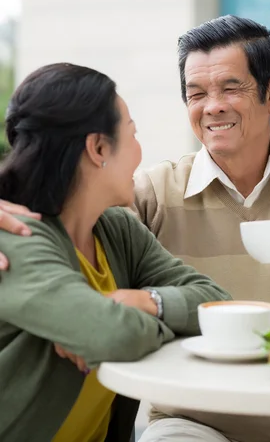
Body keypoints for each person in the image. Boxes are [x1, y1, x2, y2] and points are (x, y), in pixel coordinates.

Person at [1, 16, 270, 442]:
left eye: (230, 88)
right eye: (197, 93)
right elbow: (70, 222)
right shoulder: (150, 193)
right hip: (193, 417)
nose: (212, 106)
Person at [0, 63, 230, 442]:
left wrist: (142, 302)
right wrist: (110, 325)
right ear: (99, 147)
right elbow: (112, 335)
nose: (141, 151)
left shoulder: (117, 231)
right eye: (133, 134)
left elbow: (216, 302)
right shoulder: (16, 238)